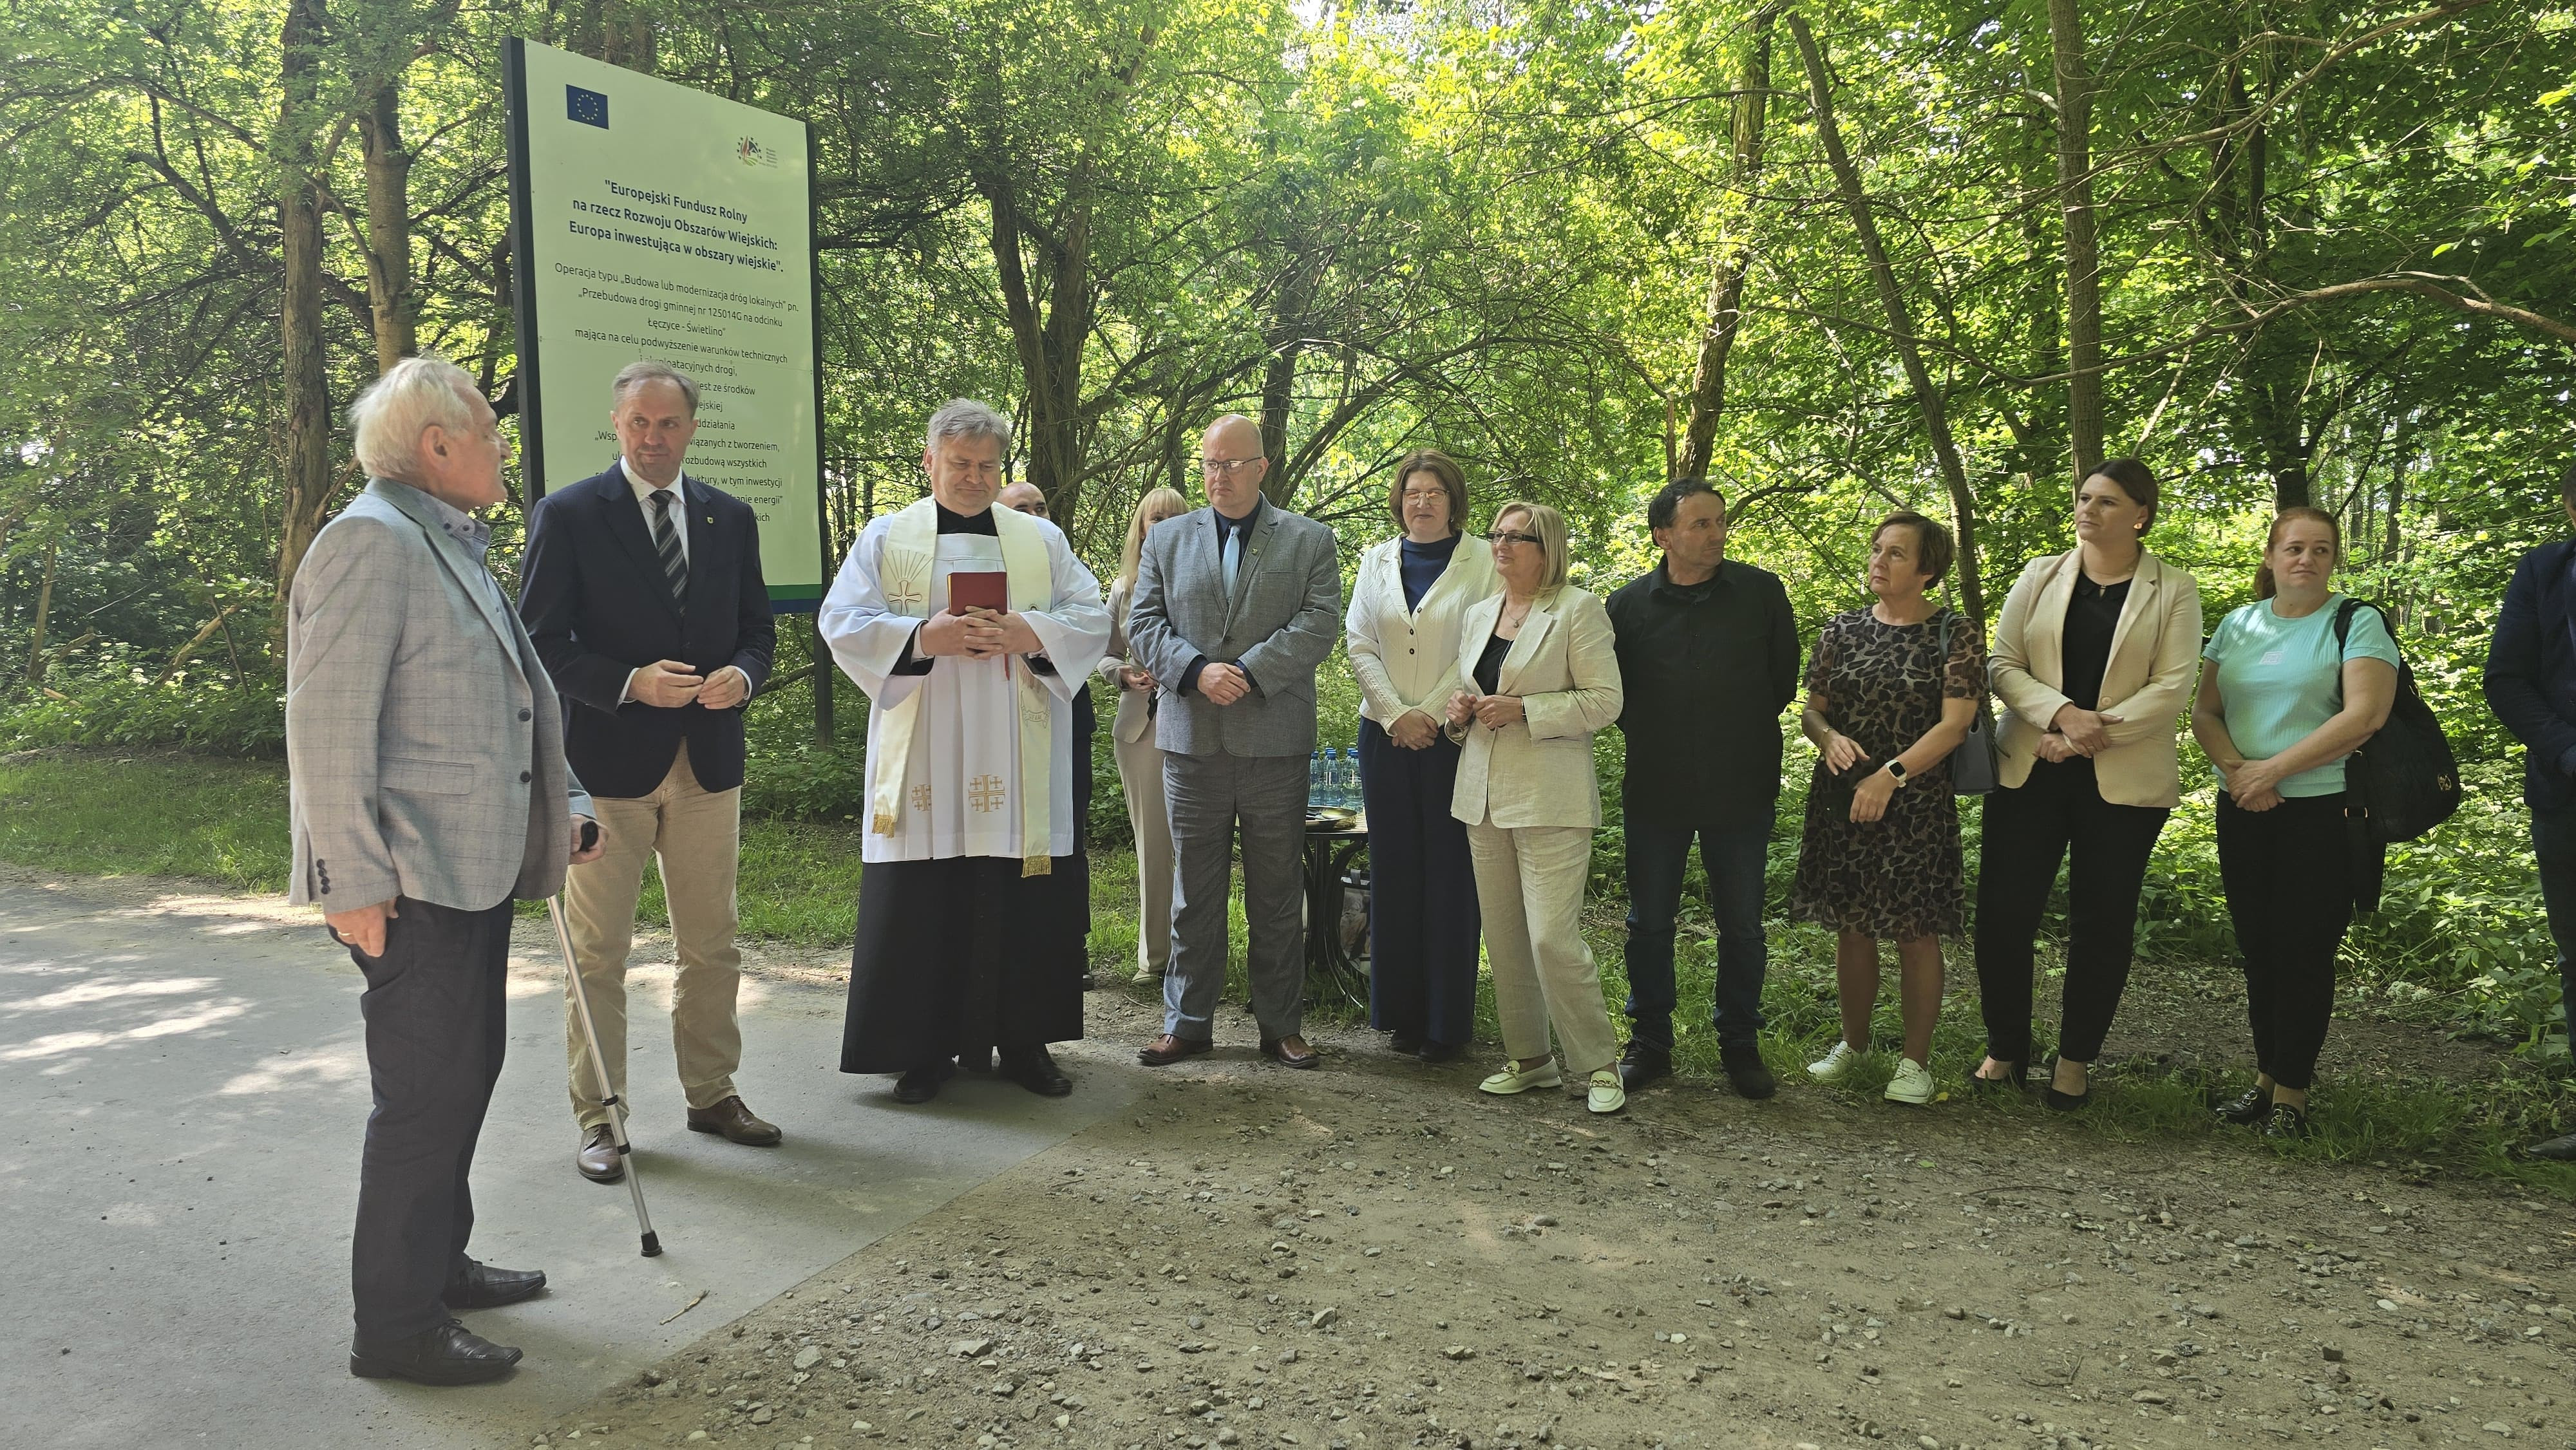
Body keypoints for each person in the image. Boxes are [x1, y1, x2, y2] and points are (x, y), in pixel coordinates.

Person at [287, 356, 603, 1384]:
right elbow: (327, 730)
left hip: (469, 870)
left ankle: (437, 1264)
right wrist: (349, 883)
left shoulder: (447, 541)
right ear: (436, 447)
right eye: (490, 436)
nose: (504, 450)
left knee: (463, 1078)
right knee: (424, 1101)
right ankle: (395, 1327)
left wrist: (570, 804)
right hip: (410, 880)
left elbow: (515, 702)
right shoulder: (369, 543)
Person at [517, 360, 781, 1184]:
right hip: (606, 769)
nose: (654, 437)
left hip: (707, 763)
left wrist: (744, 675)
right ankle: (601, 1116)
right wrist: (629, 682)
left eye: (669, 423)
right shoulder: (568, 514)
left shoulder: (729, 516)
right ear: (616, 423)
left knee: (713, 943)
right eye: (639, 422)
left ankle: (712, 1092)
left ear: (692, 428)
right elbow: (539, 643)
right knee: (598, 954)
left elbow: (758, 631)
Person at [817, 401, 1111, 1104]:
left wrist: (1027, 631)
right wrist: (925, 638)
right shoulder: (888, 537)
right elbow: (842, 620)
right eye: (960, 464)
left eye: (986, 465)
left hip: (1018, 748)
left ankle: (1026, 1041)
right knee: (927, 897)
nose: (975, 477)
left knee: (1026, 896)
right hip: (928, 751)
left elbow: (1091, 615)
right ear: (929, 462)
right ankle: (921, 1050)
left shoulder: (1040, 539)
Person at [1974, 460, 2203, 1109]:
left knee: (2102, 923)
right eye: (2084, 498)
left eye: (2106, 502)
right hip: (2029, 767)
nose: (2088, 509)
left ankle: (2074, 1060)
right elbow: (2002, 664)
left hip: (2123, 783)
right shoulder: (2040, 574)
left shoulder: (2174, 589)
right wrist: (2059, 714)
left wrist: (2078, 736)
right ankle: (2006, 1048)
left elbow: (2171, 689)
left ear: (2141, 515)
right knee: (2003, 915)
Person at [1124, 414, 1342, 1069]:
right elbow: (1143, 621)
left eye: (1232, 463)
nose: (1219, 476)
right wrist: (1196, 671)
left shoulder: (1308, 539)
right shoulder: (1168, 539)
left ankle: (1280, 1026)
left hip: (1274, 742)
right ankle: (1187, 1023)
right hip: (1191, 743)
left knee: (1276, 892)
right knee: (1194, 891)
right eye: (1210, 464)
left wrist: (1246, 670)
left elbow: (1319, 622)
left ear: (1261, 467)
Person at [2193, 507, 2398, 1140]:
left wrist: (2272, 771)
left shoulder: (2355, 621)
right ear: (2270, 556)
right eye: (2293, 548)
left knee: (2303, 949)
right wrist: (2239, 773)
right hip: (2243, 806)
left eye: (2320, 549)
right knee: (2259, 948)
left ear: (2333, 558)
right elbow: (2205, 711)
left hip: (2324, 808)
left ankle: (2293, 1095)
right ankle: (2264, 1081)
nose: (2305, 559)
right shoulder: (2237, 624)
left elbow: (2365, 716)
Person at [1605, 478, 1799, 1098]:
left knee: (1742, 925)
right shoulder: (1626, 606)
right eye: (1700, 524)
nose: (1717, 534)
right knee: (1649, 923)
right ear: (1663, 536)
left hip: (1741, 786)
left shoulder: (1761, 593)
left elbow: (1782, 681)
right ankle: (1651, 1042)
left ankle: (1740, 1044)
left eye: (1719, 522)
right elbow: (1615, 695)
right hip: (1656, 788)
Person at [1792, 511, 1983, 1107]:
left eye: (1896, 553)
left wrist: (1890, 776)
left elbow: (1956, 725)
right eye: (1877, 549)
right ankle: (1854, 1047)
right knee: (1852, 926)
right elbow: (1812, 710)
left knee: (1914, 932)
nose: (1878, 560)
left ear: (1928, 570)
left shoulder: (1955, 633)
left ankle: (1914, 1065)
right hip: (1843, 798)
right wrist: (1827, 738)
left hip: (1916, 803)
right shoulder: (1842, 629)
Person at [1448, 502, 1626, 1113]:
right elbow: (1473, 698)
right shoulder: (1479, 613)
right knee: (1504, 938)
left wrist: (1526, 710)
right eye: (1497, 534)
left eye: (1517, 537)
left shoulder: (1578, 609)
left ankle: (1600, 1065)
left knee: (1552, 938)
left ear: (1547, 549)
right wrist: (1458, 714)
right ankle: (1531, 1060)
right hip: (1482, 796)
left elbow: (1606, 701)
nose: (1501, 544)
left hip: (1552, 797)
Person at [1345, 449, 1498, 1062]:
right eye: (1413, 493)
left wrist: (1429, 717)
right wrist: (1395, 715)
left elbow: (1481, 646)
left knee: (1451, 876)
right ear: (1399, 501)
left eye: (1435, 492)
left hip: (1453, 738)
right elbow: (1359, 642)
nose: (1423, 502)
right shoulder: (1375, 559)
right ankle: (1400, 1016)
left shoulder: (1484, 560)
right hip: (1383, 737)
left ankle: (1445, 1024)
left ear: (1453, 500)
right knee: (1394, 871)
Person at [2485, 464, 2576, 1161]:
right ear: (2571, 507)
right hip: (2564, 791)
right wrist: (2567, 751)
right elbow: (2506, 679)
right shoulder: (2544, 572)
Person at [999, 480, 1099, 995]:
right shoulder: (985, 562)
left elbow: (1091, 626)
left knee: (1065, 836)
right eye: (1022, 508)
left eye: (1041, 507)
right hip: (997, 729)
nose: (1036, 516)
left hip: (1061, 717)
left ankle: (1070, 944)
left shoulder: (1061, 563)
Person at [1102, 486, 1191, 986]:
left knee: (1197, 845)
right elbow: (1103, 654)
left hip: (1199, 722)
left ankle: (1197, 954)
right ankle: (1156, 959)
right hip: (1140, 726)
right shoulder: (1124, 588)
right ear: (1141, 527)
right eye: (1154, 518)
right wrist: (1123, 674)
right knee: (1153, 845)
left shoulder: (1207, 582)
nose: (1162, 526)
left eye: (1173, 518)